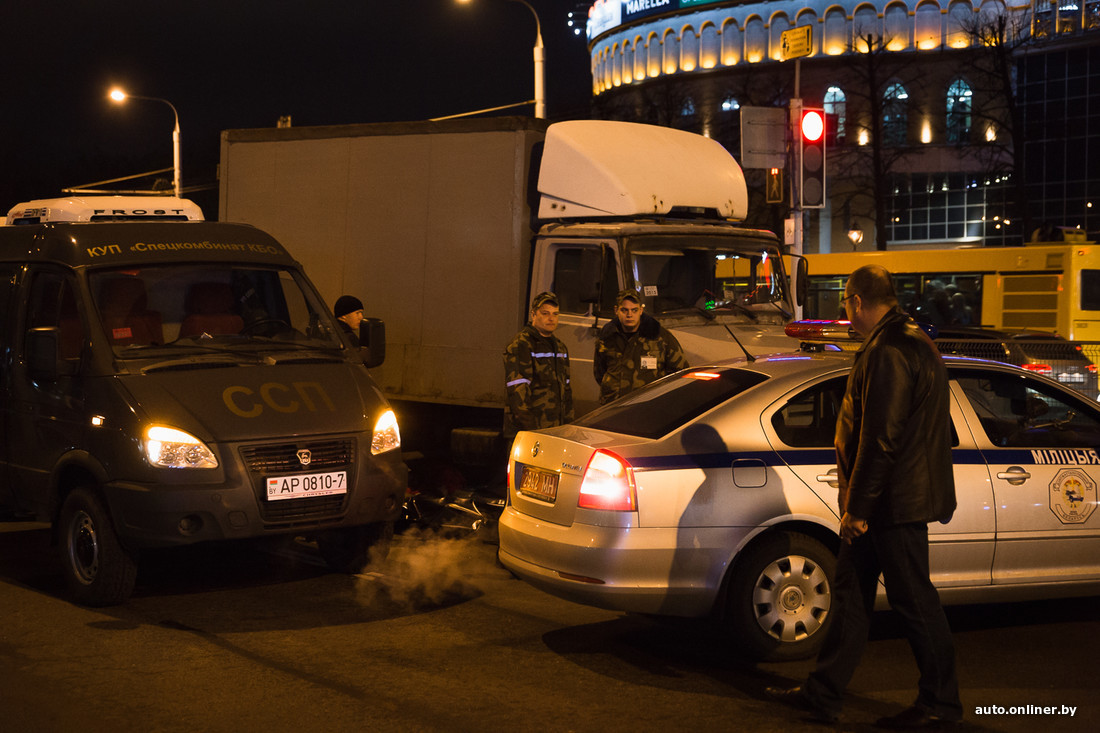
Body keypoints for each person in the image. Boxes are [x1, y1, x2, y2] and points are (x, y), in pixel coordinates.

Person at [766, 265, 962, 729]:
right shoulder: (907, 339)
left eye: (846, 305)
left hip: (892, 503)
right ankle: (824, 691)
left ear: (855, 301)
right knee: (852, 596)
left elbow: (881, 437)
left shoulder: (890, 349)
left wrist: (858, 508)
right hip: (891, 499)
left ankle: (940, 703)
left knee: (914, 602)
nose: (846, 314)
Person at [593, 289, 688, 404]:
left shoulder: (660, 337)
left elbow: (679, 371)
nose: (629, 315)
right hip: (612, 406)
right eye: (624, 310)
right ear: (616, 311)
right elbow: (600, 373)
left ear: (641, 311)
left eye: (634, 310)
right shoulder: (607, 337)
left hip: (647, 406)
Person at [502, 292, 573, 440]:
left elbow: (566, 390)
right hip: (528, 430)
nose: (551, 318)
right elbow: (518, 390)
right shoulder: (521, 344)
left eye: (555, 314)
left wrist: (568, 425)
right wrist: (531, 430)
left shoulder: (560, 348)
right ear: (533, 314)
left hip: (554, 431)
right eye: (545, 313)